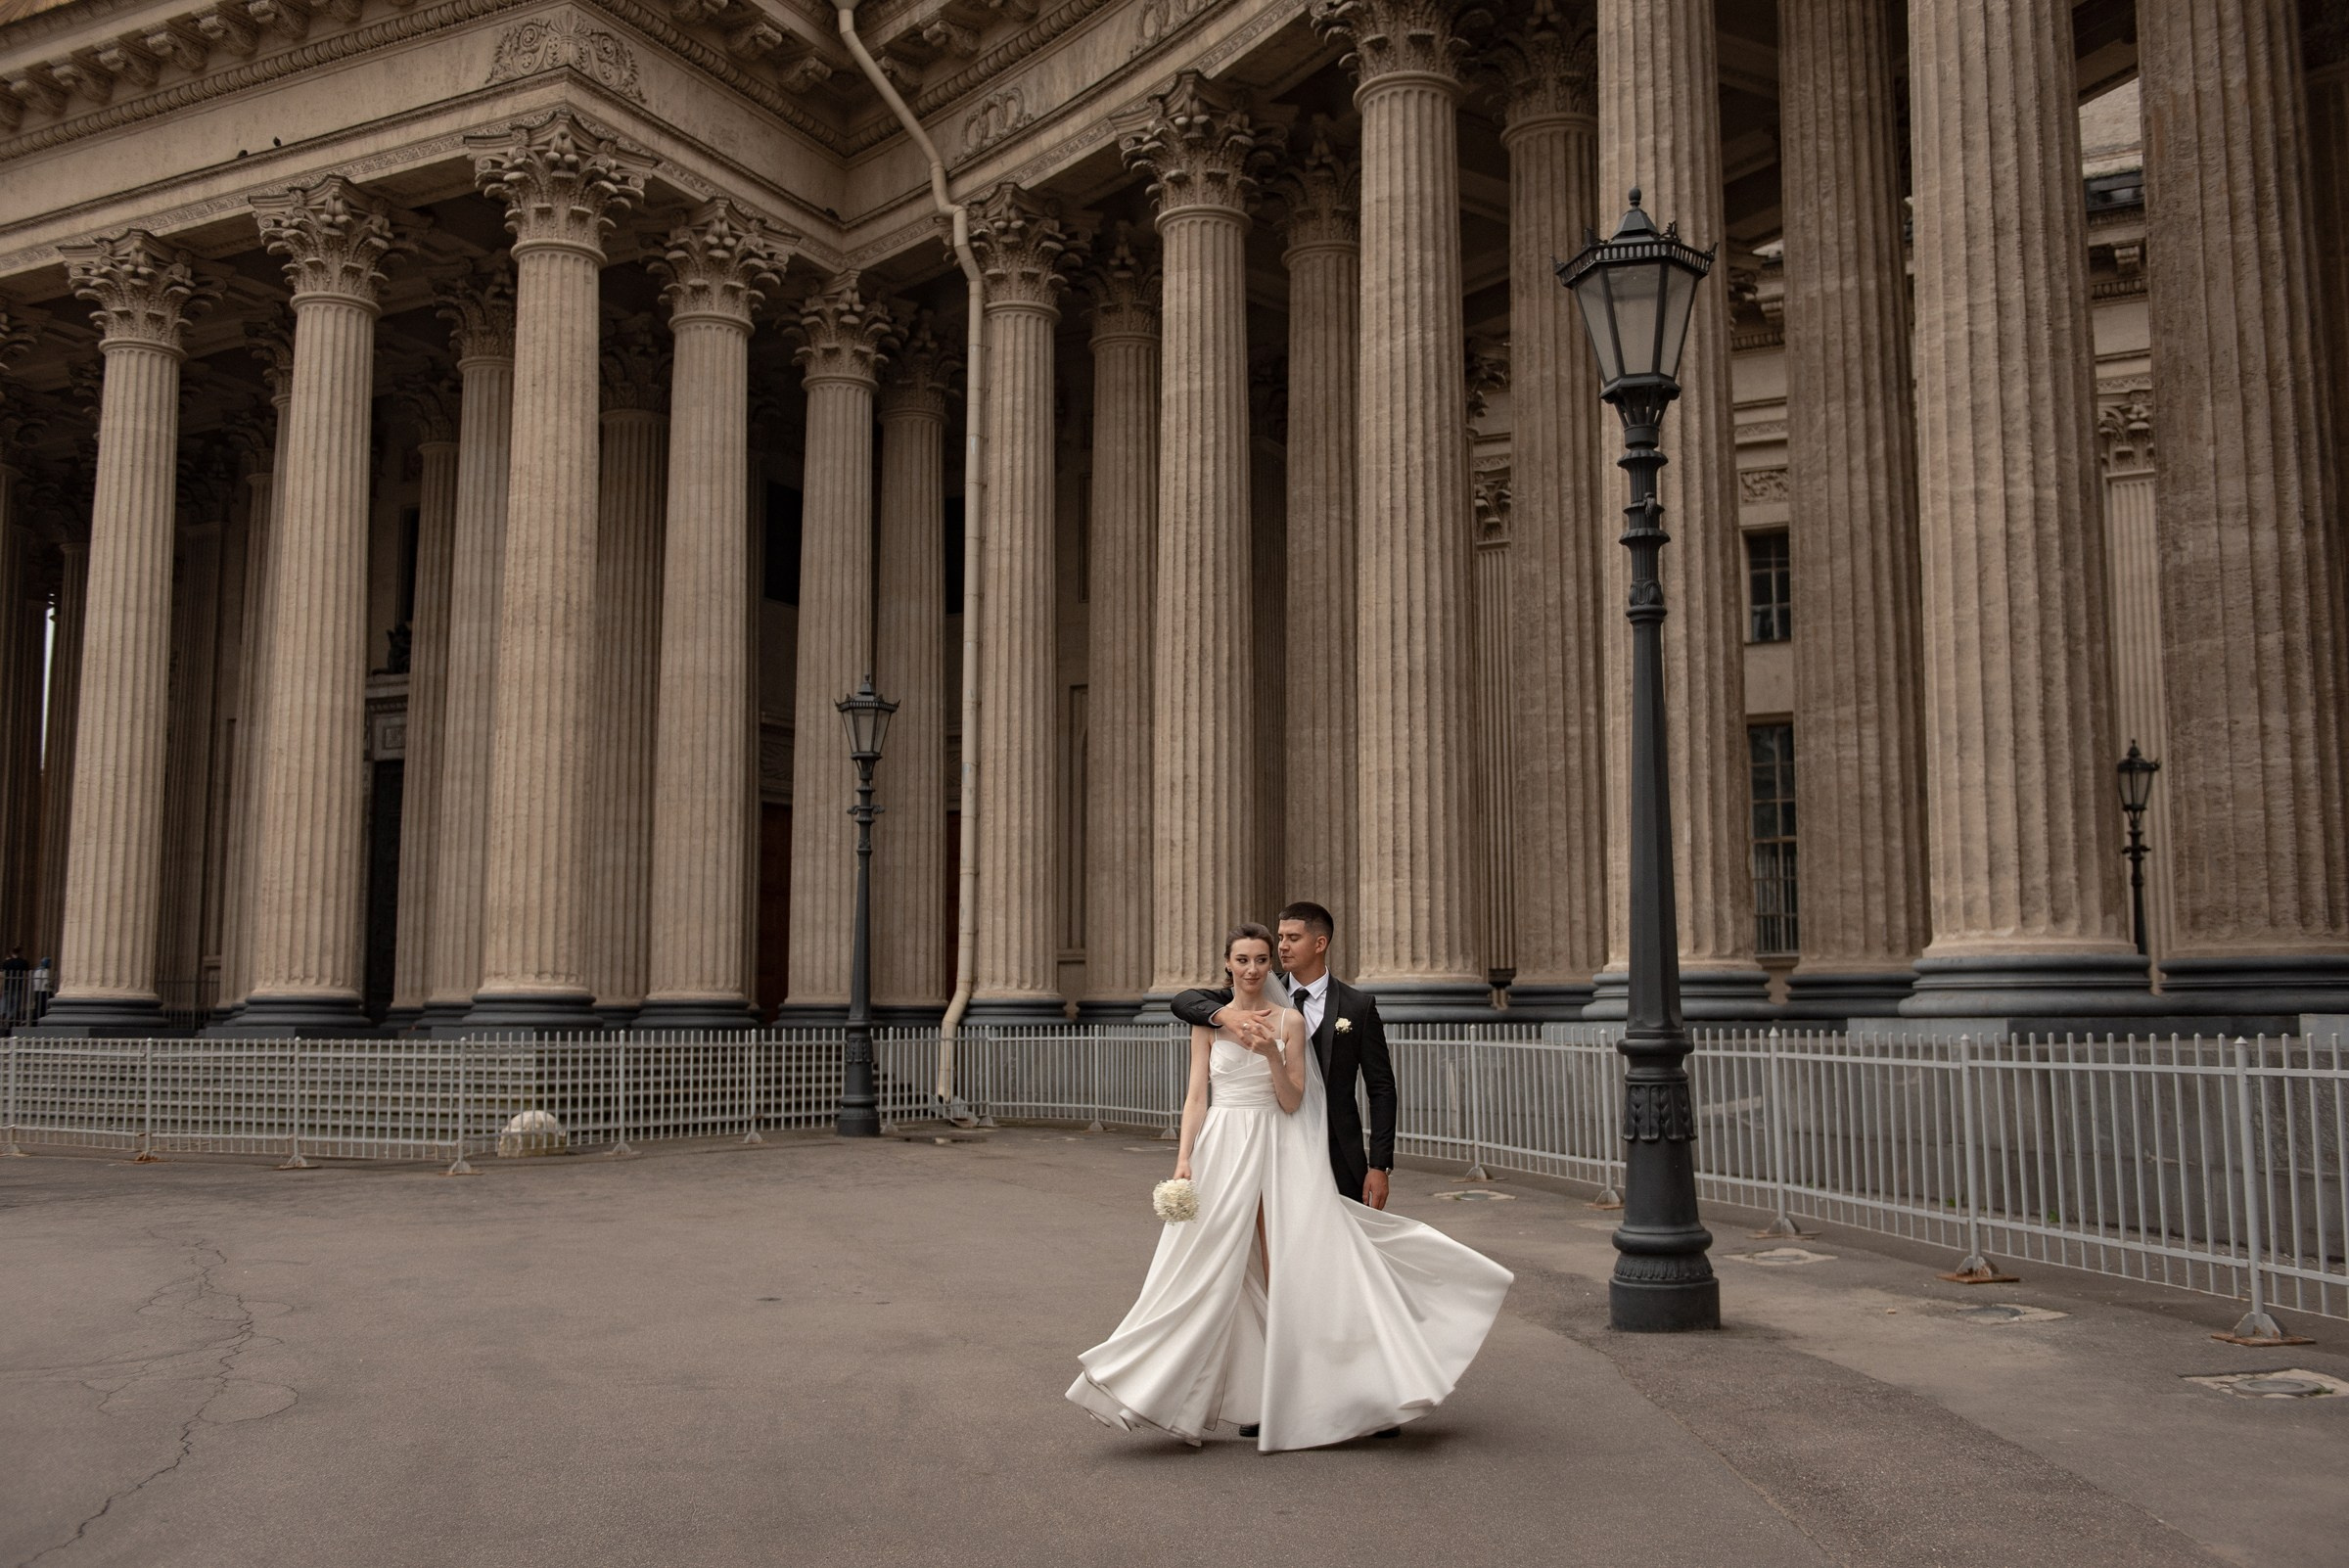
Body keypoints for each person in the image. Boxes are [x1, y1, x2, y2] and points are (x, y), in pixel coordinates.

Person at [1069, 924, 1512, 1452]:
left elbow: (1294, 1101)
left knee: (1293, 1268)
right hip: (1221, 1148)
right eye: (1244, 958)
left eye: (1262, 958)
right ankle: (1152, 1390)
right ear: (1228, 964)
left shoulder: (1291, 1020)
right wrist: (1184, 1158)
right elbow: (1195, 1097)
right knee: (1198, 1265)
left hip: (1278, 1148)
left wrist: (1271, 1053)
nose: (1256, 967)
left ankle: (1334, 1392)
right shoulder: (1208, 1020)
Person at [1170, 901, 1395, 1209]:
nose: (1283, 947)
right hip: (1271, 1143)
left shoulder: (1357, 1007)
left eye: (1293, 938)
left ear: (1320, 943)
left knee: (1339, 1239)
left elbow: (1381, 1089)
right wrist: (1225, 1017)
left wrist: (1379, 1164)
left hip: (1336, 1149)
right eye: (1280, 938)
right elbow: (1184, 1001)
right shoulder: (1256, 986)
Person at [1, 946, 25, 1027]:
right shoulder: (23, 962)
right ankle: (8, 1019)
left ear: (12, 953)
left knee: (6, 1004)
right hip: (18, 986)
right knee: (16, 1005)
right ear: (20, 953)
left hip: (7, 985)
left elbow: (3, 973)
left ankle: (5, 1019)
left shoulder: (6, 963)